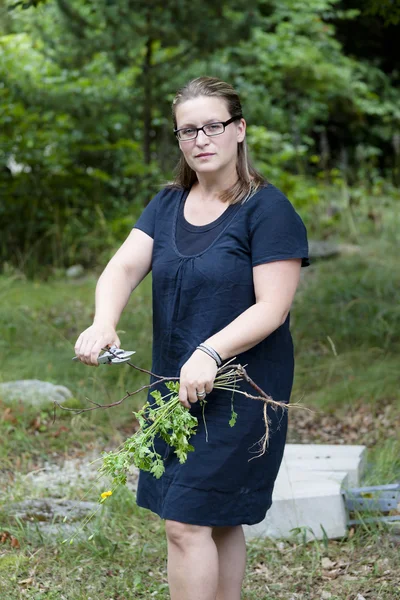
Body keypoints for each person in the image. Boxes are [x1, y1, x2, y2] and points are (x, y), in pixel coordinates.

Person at [74, 76, 309, 600]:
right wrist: (103, 319)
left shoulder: (269, 211)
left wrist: (210, 351)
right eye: (187, 131)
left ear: (239, 129)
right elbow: (121, 268)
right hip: (174, 388)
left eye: (213, 126)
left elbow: (273, 306)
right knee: (214, 519)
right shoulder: (166, 203)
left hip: (242, 390)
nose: (200, 139)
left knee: (186, 522)